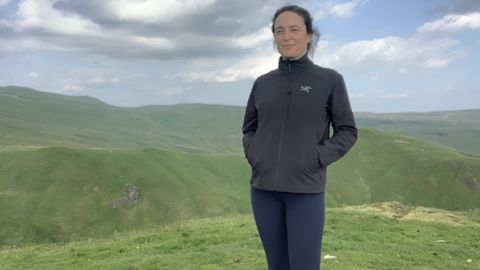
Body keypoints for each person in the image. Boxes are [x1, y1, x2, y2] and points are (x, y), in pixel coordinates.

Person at [242, 4, 357, 270]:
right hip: (263, 191)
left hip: (305, 191)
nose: (287, 36)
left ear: (309, 35)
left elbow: (347, 131)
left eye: (294, 29)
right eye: (280, 31)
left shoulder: (329, 80)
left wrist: (316, 157)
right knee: (277, 265)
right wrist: (256, 154)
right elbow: (249, 128)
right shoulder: (262, 83)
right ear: (274, 38)